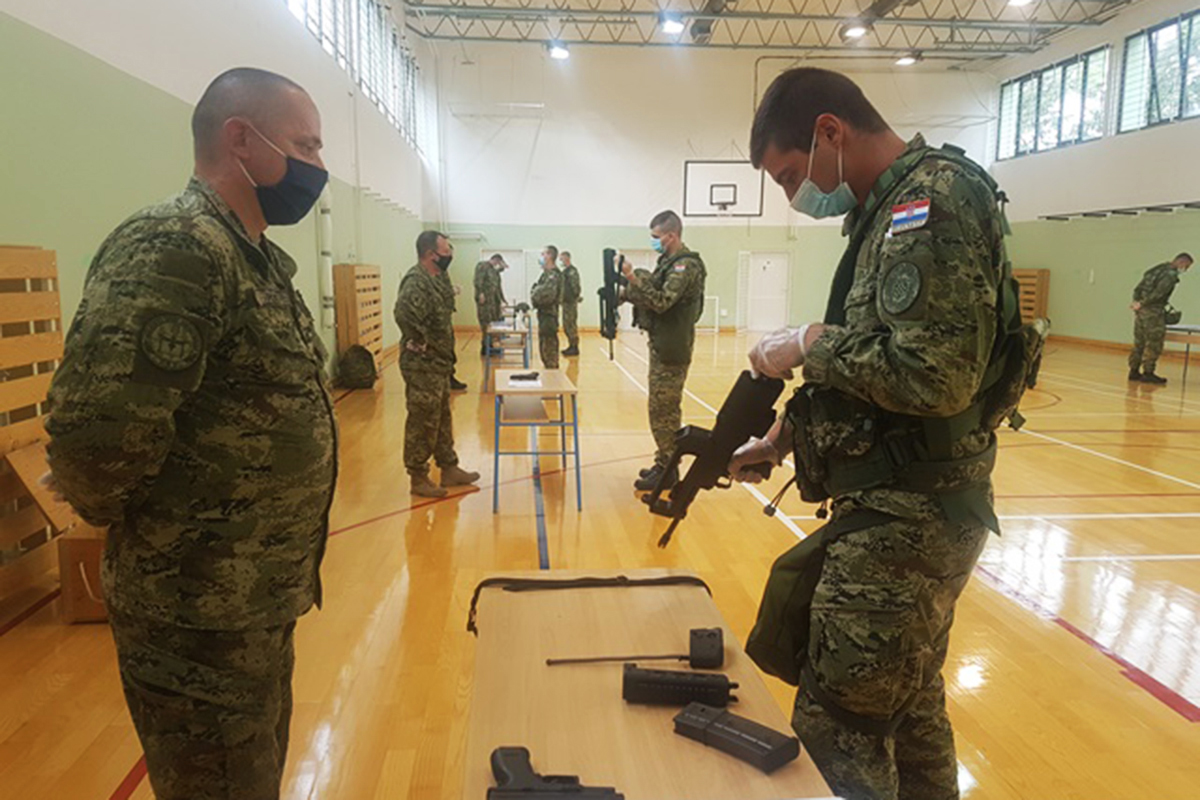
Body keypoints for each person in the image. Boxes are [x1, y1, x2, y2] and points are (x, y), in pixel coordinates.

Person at [44, 68, 336, 800]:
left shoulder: (252, 257)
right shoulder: (176, 246)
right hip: (195, 615)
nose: (317, 165)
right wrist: (155, 533)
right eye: (305, 144)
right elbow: (96, 436)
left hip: (249, 604)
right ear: (241, 139)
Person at [730, 67, 1012, 800]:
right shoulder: (887, 209)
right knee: (909, 711)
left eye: (790, 176)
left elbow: (936, 377)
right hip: (907, 510)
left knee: (839, 734)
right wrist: (782, 439)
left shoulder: (931, 202)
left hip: (906, 522)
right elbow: (874, 369)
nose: (793, 196)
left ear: (829, 132)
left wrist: (810, 343)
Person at [622, 211, 707, 492]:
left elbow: (661, 302)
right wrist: (628, 289)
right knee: (660, 410)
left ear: (671, 236)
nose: (654, 241)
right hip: (663, 344)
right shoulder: (668, 262)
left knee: (664, 411)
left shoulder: (685, 266)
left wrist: (632, 278)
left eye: (656, 237)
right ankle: (663, 463)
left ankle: (668, 471)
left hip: (673, 347)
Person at [395, 230, 481, 497]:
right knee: (422, 419)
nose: (450, 254)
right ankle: (418, 477)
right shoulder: (416, 281)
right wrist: (421, 342)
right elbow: (404, 314)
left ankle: (449, 467)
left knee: (442, 415)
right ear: (431, 254)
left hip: (440, 362)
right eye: (445, 250)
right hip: (422, 364)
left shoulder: (439, 277)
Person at [1128, 252, 1192, 384]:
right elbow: (1159, 294)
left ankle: (1134, 371)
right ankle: (1148, 373)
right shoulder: (1170, 275)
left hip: (1141, 312)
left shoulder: (1155, 269)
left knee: (1139, 342)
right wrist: (1142, 303)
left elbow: (1138, 289)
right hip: (1153, 312)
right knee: (1154, 343)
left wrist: (1136, 302)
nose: (1185, 269)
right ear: (1182, 262)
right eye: (1187, 266)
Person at [530, 244, 563, 369]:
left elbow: (546, 295)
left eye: (543, 254)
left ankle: (553, 375)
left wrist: (535, 293)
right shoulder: (546, 274)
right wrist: (535, 292)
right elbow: (536, 291)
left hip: (549, 315)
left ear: (550, 256)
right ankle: (549, 374)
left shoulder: (553, 275)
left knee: (549, 350)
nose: (541, 257)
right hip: (544, 315)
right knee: (544, 347)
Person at [474, 253, 508, 356]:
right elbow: (477, 280)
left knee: (494, 324)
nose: (498, 264)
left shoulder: (493, 271)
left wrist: (502, 299)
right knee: (486, 324)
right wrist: (480, 293)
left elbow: (497, 285)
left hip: (494, 302)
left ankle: (491, 347)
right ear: (495, 260)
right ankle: (485, 348)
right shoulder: (482, 265)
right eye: (498, 262)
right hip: (485, 301)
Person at [560, 251, 582, 356]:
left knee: (571, 325)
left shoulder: (572, 271)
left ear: (567, 258)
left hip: (570, 302)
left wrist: (575, 298)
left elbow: (575, 287)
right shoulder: (565, 272)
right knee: (566, 325)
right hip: (566, 302)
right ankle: (571, 345)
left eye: (562, 259)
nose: (561, 261)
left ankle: (574, 347)